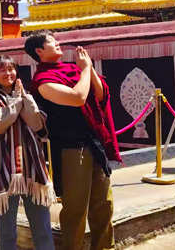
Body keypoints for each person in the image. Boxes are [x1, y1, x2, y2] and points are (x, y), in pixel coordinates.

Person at [25, 31, 120, 250]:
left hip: (93, 144)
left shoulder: (71, 69)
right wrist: (85, 69)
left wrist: (88, 68)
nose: (57, 43)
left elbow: (101, 95)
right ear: (39, 51)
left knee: (104, 204)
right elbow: (78, 98)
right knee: (76, 210)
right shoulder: (42, 81)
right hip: (70, 149)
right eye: (51, 42)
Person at [0, 56, 55, 250]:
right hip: (4, 171)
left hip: (32, 169)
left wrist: (25, 101)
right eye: (2, 70)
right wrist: (14, 105)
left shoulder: (27, 95)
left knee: (42, 227)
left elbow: (38, 125)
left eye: (11, 69)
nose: (8, 73)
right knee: (7, 232)